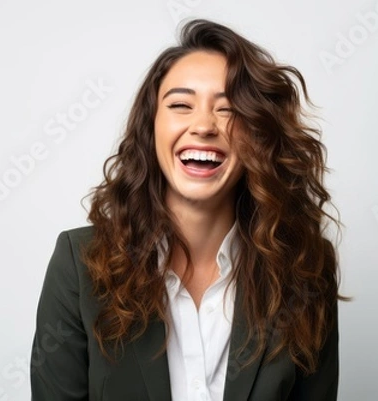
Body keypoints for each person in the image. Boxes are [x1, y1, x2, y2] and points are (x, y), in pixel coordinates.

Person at [30, 18, 347, 401]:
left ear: (258, 134)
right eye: (181, 104)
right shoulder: (78, 264)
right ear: (152, 127)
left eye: (228, 110)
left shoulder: (305, 268)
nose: (203, 125)